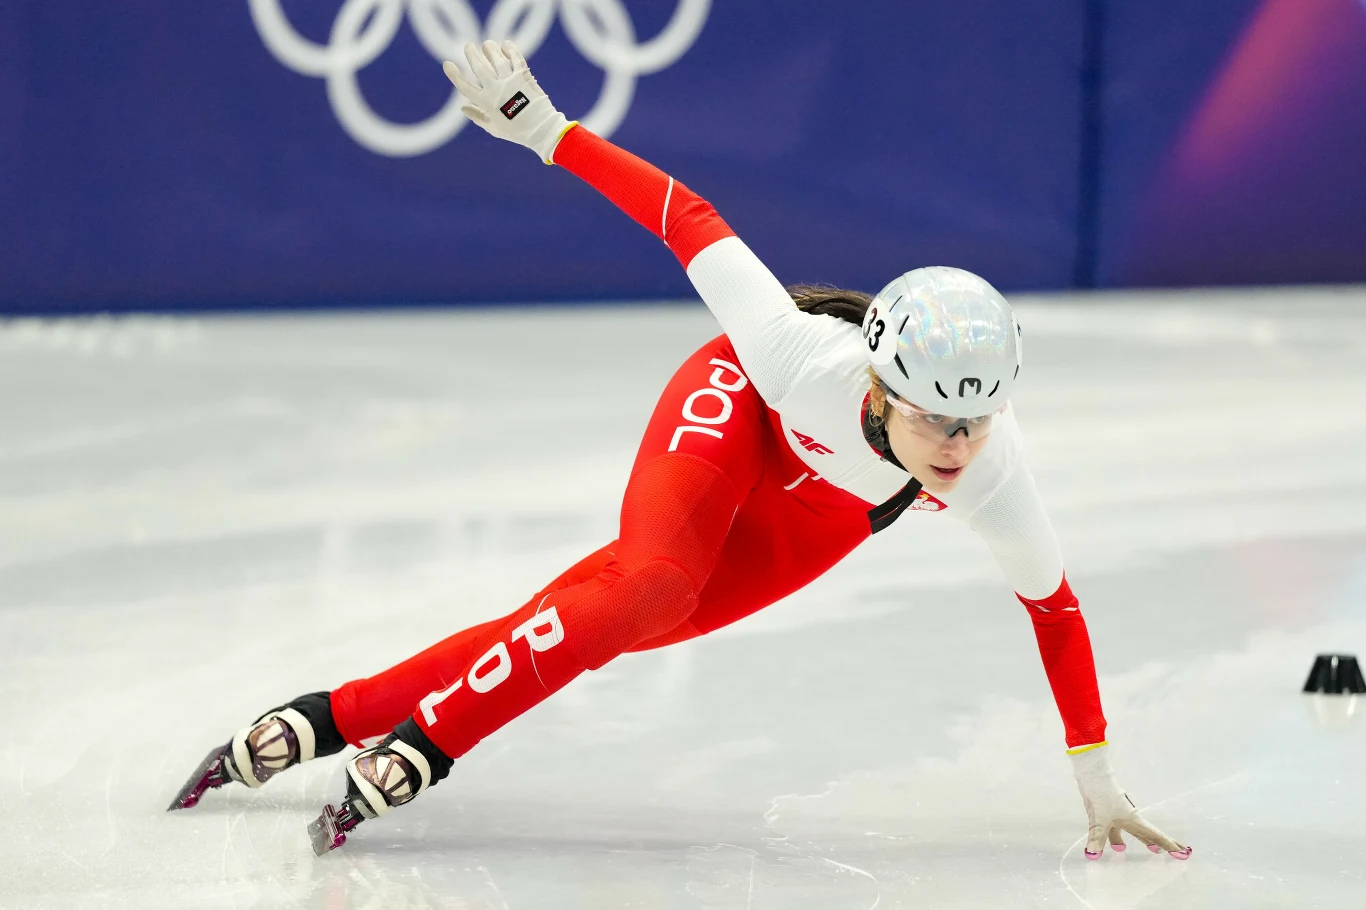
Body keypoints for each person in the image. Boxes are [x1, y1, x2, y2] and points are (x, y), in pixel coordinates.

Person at [170, 41, 1189, 863]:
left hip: (830, 502)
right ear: (879, 387)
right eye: (935, 421)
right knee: (650, 585)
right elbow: (686, 217)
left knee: (598, 617)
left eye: (978, 422)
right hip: (737, 408)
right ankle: (427, 746)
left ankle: (322, 717)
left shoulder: (989, 469)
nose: (960, 449)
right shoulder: (795, 351)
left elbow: (1054, 610)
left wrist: (1097, 783)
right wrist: (547, 131)